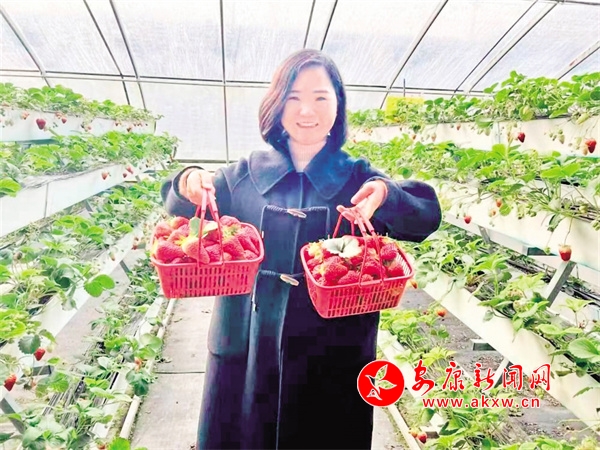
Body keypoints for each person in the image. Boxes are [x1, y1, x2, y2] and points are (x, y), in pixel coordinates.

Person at [160, 49, 442, 450]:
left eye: (320, 97)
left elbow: (425, 216)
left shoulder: (359, 179)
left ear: (338, 105)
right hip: (245, 345)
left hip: (333, 353)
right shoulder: (243, 175)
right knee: (244, 435)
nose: (306, 110)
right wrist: (187, 180)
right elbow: (179, 204)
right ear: (276, 104)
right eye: (293, 97)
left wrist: (387, 193)